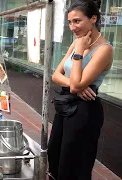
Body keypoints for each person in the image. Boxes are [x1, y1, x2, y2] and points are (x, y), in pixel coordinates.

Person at [48, 0, 113, 179]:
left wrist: (79, 53)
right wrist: (76, 85)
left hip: (85, 111)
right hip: (65, 105)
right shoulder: (77, 42)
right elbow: (56, 75)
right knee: (55, 155)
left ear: (93, 18)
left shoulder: (104, 49)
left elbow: (77, 85)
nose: (72, 27)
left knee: (74, 162)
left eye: (77, 21)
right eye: (70, 22)